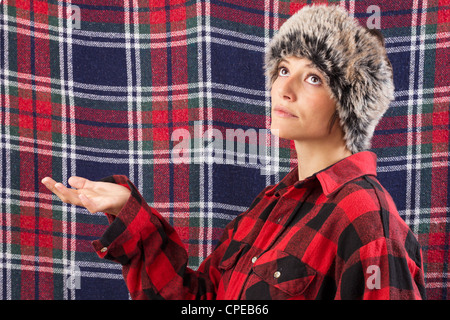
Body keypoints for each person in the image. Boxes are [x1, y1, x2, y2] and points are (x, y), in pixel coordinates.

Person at [42, 5, 426, 299]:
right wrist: (130, 213)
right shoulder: (273, 204)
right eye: (282, 69)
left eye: (313, 77)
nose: (283, 89)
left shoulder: (365, 218)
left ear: (351, 103)